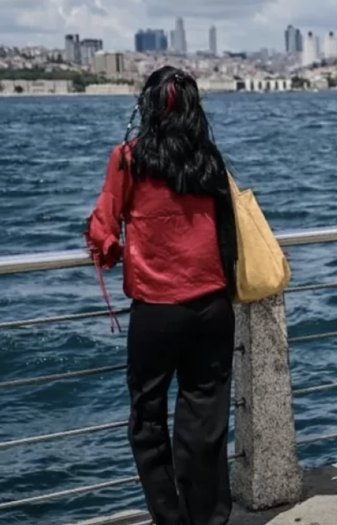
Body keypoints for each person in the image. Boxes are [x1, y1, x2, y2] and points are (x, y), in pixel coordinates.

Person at [85, 66, 237, 525]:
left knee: (147, 421)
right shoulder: (209, 159)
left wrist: (113, 247)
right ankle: (208, 518)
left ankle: (170, 519)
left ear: (148, 107)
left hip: (156, 311)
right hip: (213, 306)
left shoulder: (128, 158)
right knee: (205, 421)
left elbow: (103, 235)